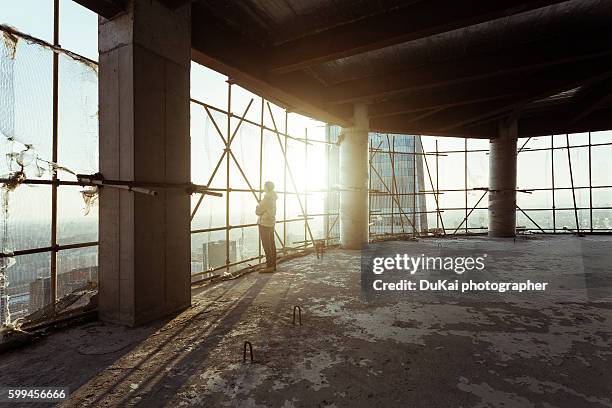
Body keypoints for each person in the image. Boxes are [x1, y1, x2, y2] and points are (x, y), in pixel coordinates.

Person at [256, 181, 278, 272]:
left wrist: (258, 206)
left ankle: (269, 266)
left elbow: (258, 212)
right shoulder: (273, 198)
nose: (263, 188)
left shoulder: (267, 199)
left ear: (267, 188)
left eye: (264, 187)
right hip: (271, 223)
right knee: (272, 244)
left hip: (264, 223)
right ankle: (273, 265)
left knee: (266, 245)